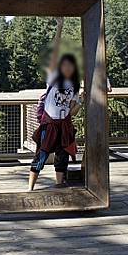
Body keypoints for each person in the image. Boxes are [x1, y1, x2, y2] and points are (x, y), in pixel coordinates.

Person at [29, 17, 81, 191]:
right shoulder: (53, 78)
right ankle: (30, 189)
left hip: (63, 125)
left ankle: (59, 185)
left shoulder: (74, 87)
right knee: (42, 155)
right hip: (49, 124)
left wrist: (81, 99)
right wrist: (60, 26)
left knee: (62, 156)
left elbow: (72, 112)